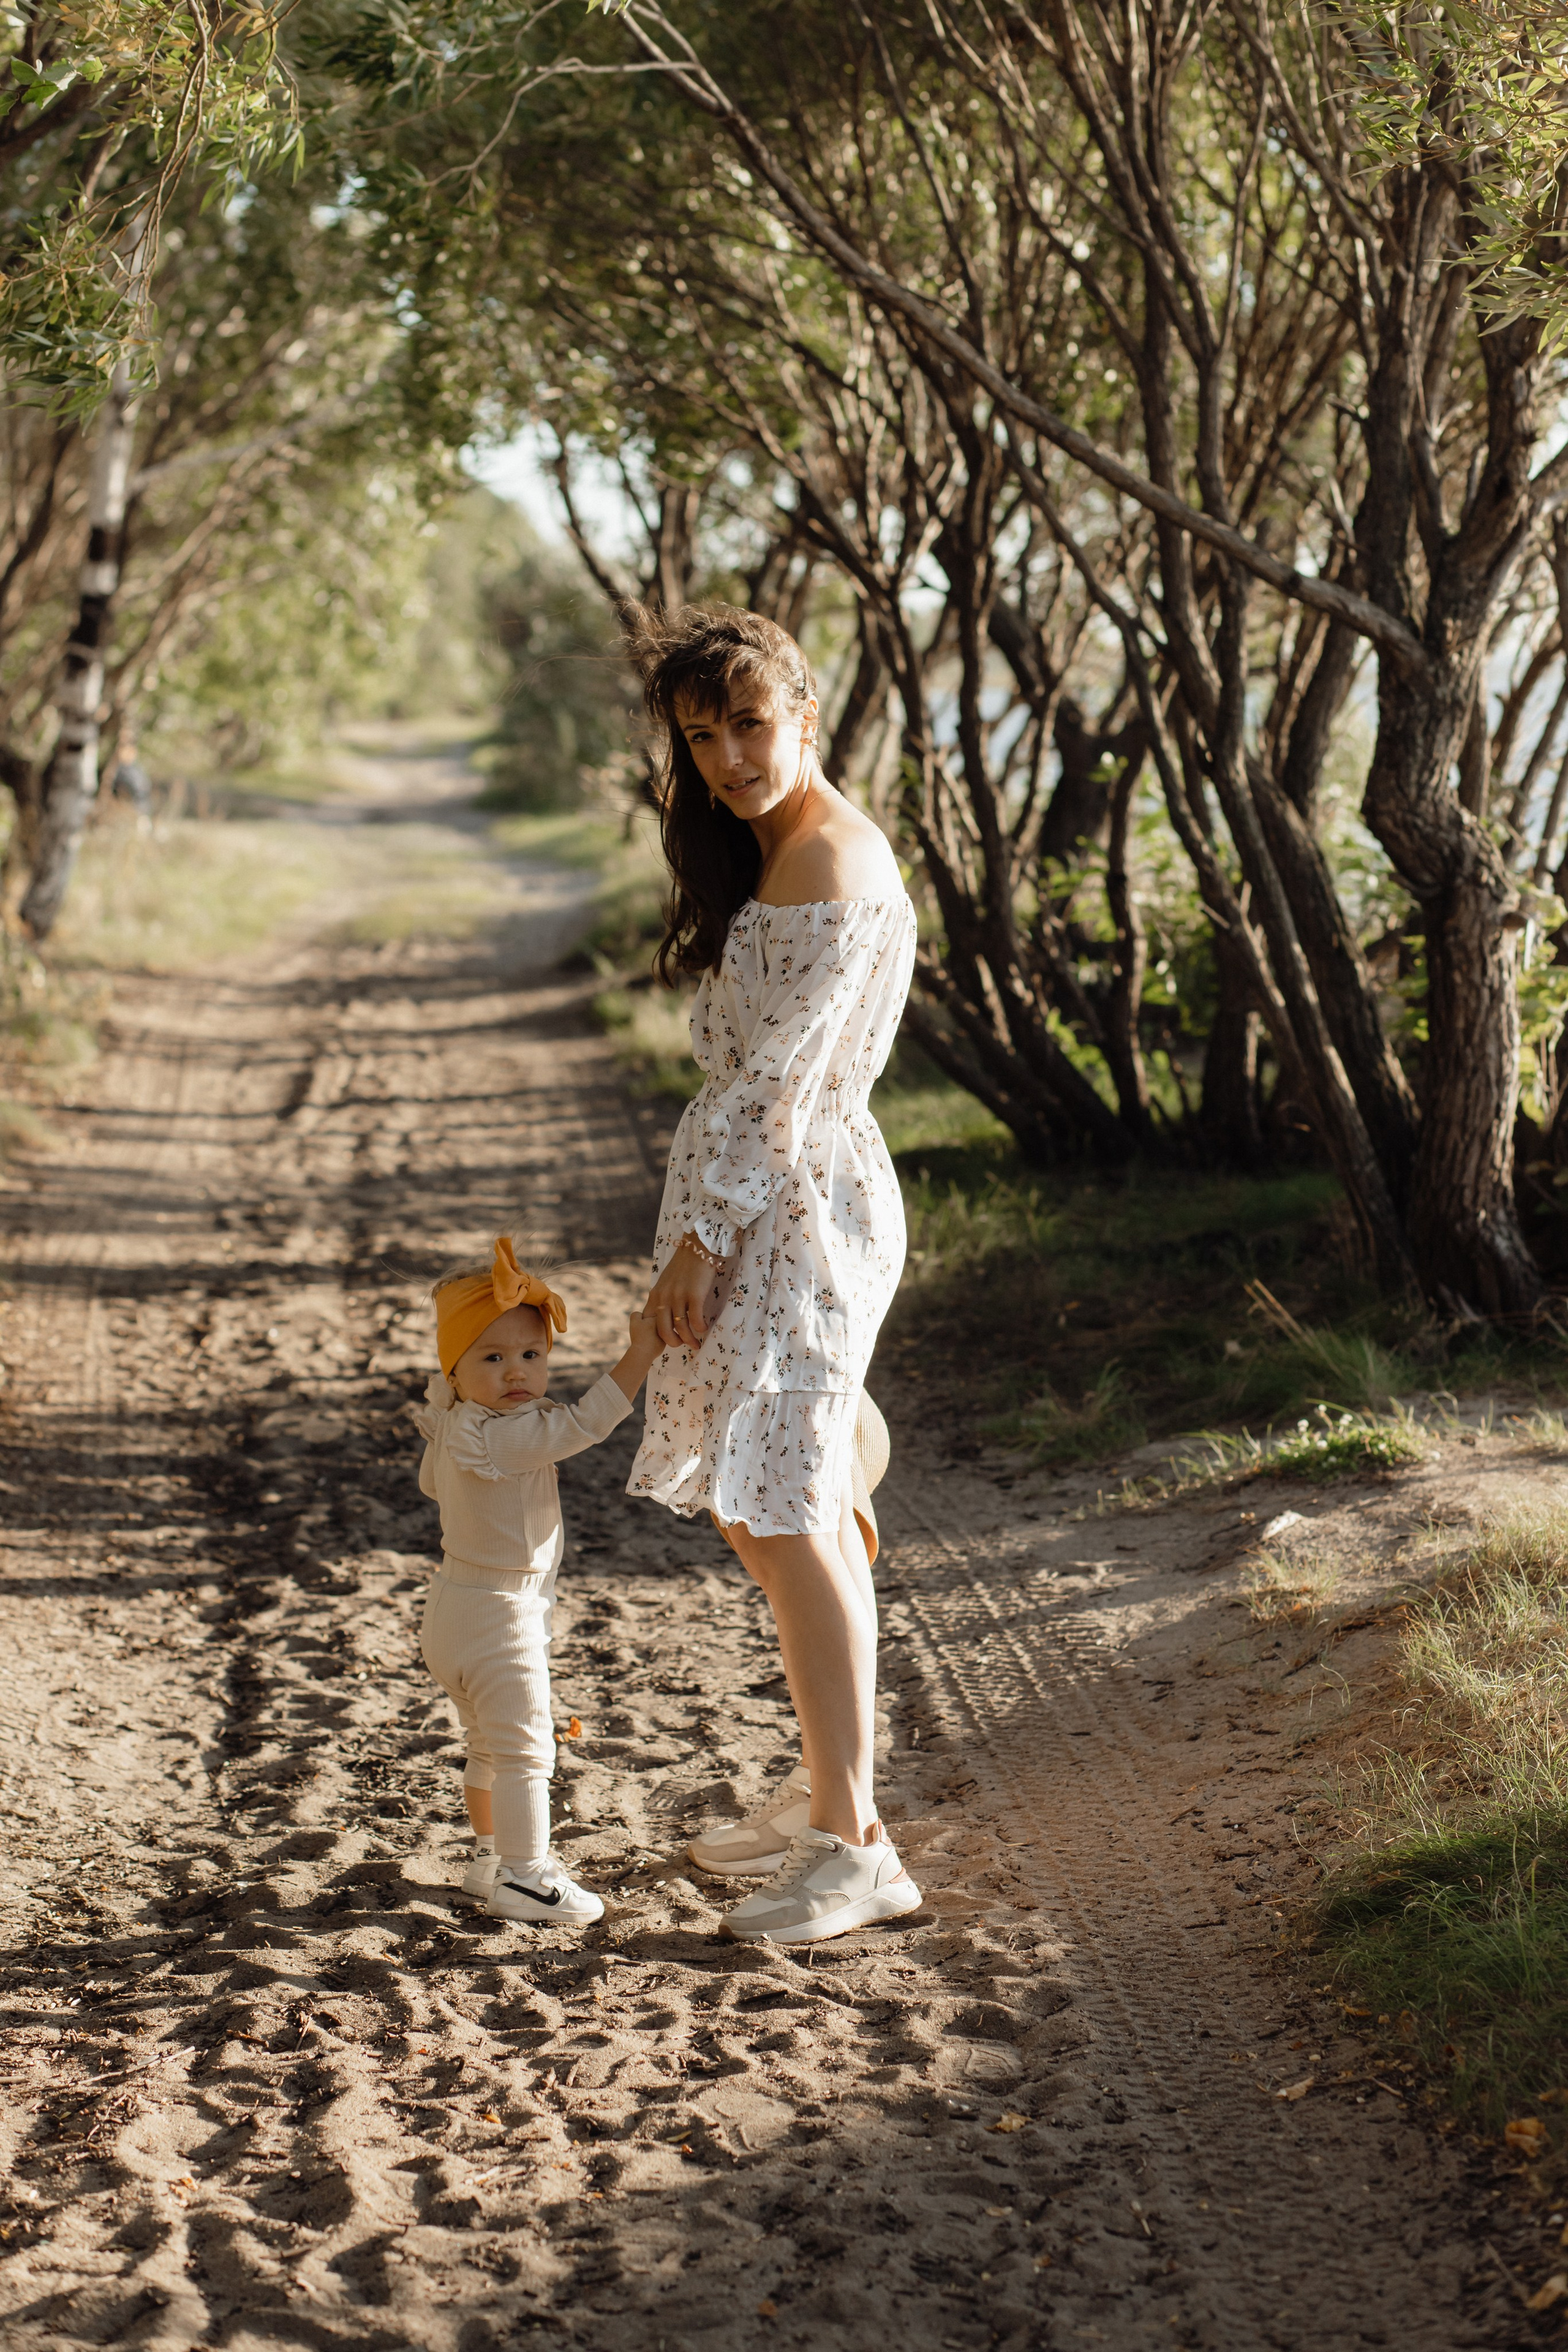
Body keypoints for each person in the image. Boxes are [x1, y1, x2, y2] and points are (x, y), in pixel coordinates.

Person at [625, 602, 922, 1947]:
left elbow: (772, 1095)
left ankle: (853, 1843)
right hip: (768, 1202)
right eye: (703, 735)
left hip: (788, 1211)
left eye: (749, 723)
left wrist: (698, 1246)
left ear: (803, 711)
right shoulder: (783, 851)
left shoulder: (827, 865)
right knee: (770, 1510)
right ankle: (823, 1789)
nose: (731, 756)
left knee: (789, 1509)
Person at [415, 1237, 664, 1927]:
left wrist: (445, 1403)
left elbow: (430, 1484)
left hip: (451, 1610)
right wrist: (639, 1352)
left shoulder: (460, 1427)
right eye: (491, 1359)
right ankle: (526, 1878)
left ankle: (491, 1855)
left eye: (531, 1355)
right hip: (501, 1615)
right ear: (458, 1370)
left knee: (487, 1744)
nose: (517, 1373)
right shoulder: (504, 1434)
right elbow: (587, 1424)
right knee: (528, 1749)